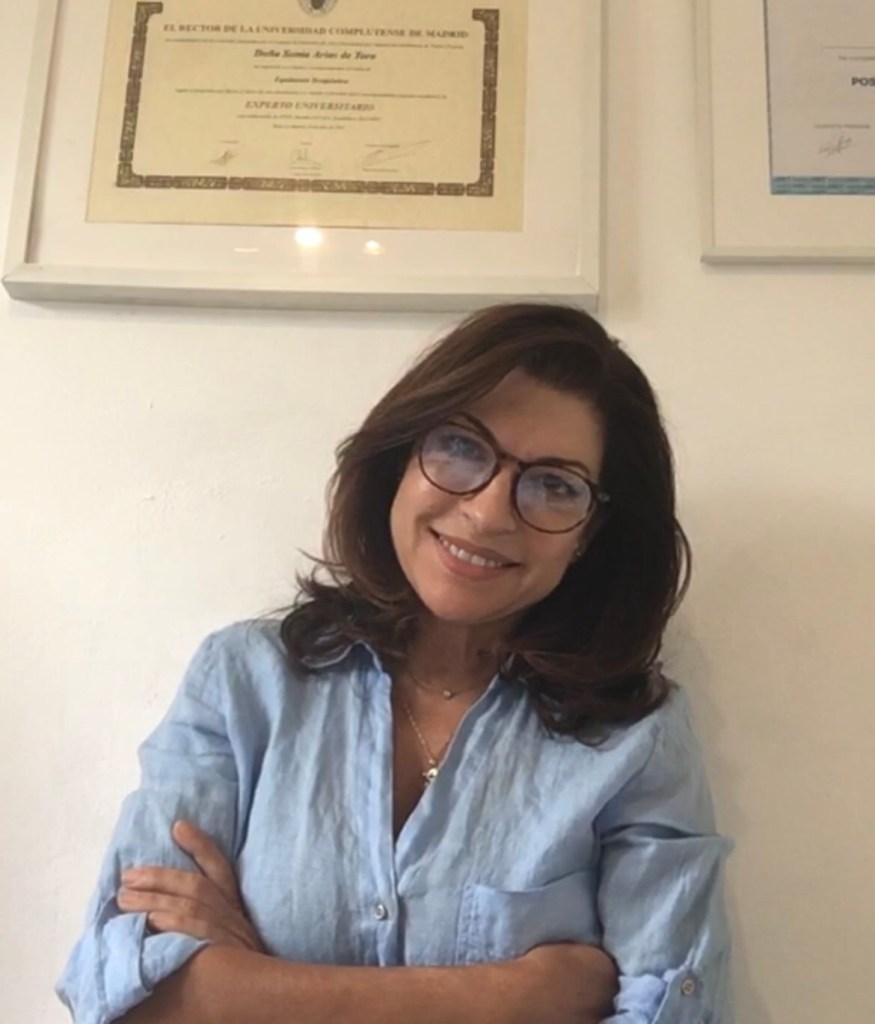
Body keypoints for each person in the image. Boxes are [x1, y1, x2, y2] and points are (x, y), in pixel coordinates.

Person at [56, 303, 733, 1024]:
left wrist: (250, 983)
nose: (488, 513)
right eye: (461, 447)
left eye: (553, 485)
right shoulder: (241, 681)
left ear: (589, 533)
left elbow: (675, 1010)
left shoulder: (636, 735)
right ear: (400, 459)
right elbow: (121, 991)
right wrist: (515, 995)